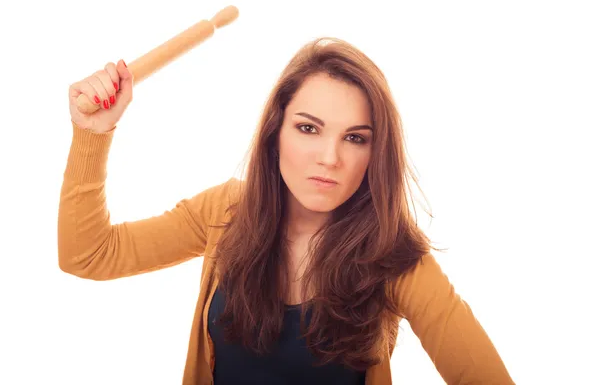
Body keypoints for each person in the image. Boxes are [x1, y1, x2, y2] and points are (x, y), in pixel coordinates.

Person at [58, 37, 514, 384]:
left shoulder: (391, 253)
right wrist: (92, 134)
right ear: (276, 132)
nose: (329, 157)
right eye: (309, 128)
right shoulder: (224, 211)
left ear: (376, 153)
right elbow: (89, 255)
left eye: (355, 137)